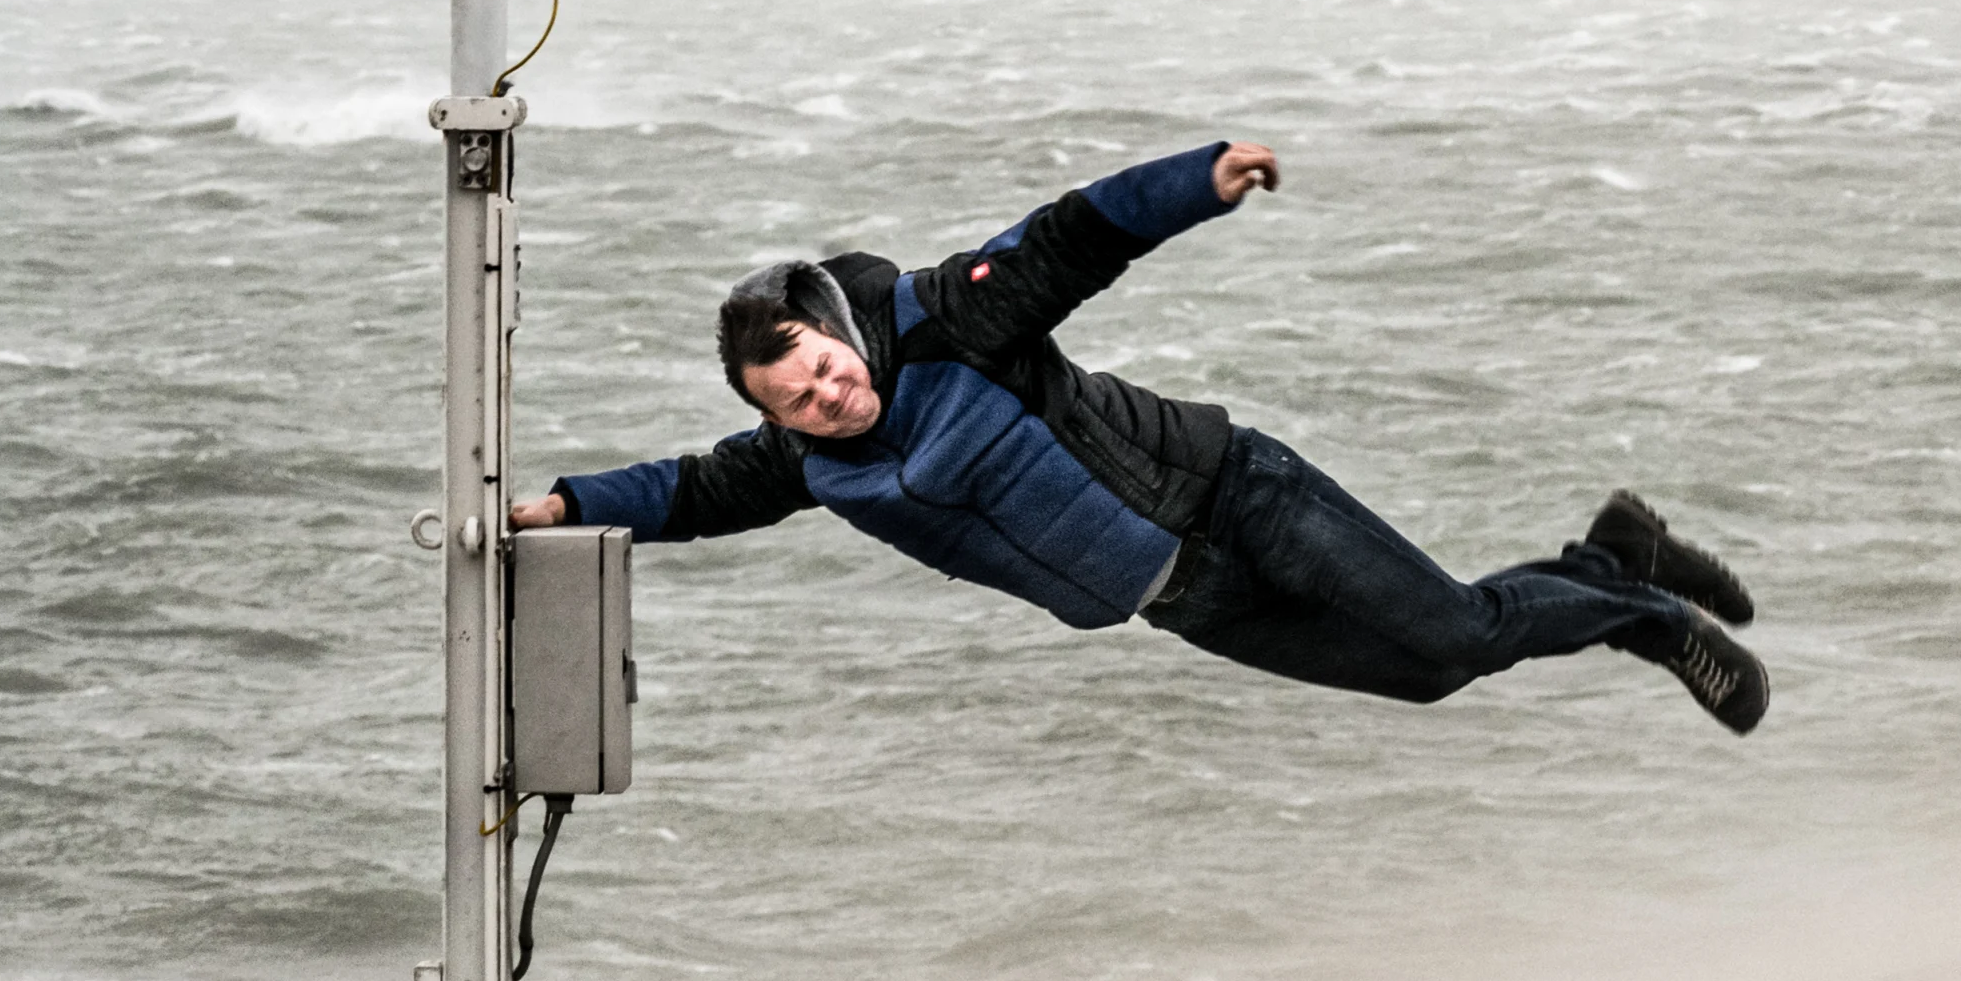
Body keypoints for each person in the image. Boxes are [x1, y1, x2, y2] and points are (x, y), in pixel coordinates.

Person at [510, 139, 1771, 734]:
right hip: (1189, 598)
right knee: (1436, 672)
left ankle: (1637, 605)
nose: (830, 400)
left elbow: (1070, 236)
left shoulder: (950, 320)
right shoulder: (811, 463)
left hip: (1238, 495)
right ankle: (1609, 553)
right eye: (796, 401)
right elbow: (691, 490)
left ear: (839, 329)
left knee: (1458, 629)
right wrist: (566, 506)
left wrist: (1199, 181)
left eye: (827, 372)